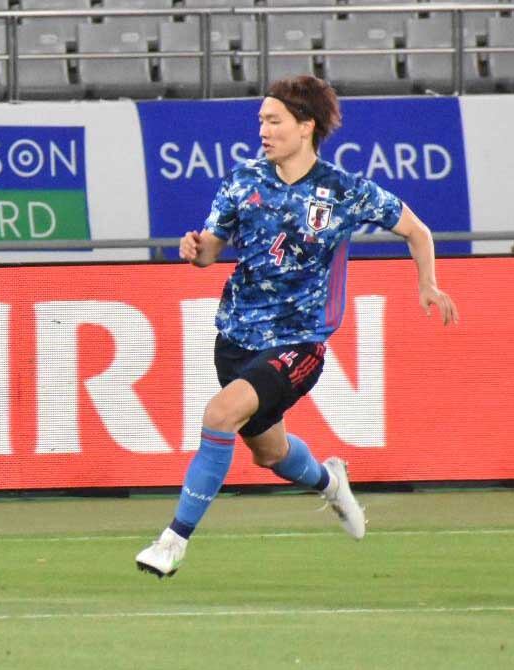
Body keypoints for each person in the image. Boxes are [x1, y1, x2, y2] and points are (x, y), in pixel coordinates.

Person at [136, 75, 459, 578]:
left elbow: (417, 230)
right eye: (261, 121)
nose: (263, 130)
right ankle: (331, 482)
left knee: (219, 415)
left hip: (299, 343)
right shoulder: (242, 181)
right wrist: (195, 250)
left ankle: (172, 542)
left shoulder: (343, 190)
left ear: (306, 126)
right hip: (236, 339)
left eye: (274, 121)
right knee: (271, 454)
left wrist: (428, 284)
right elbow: (211, 250)